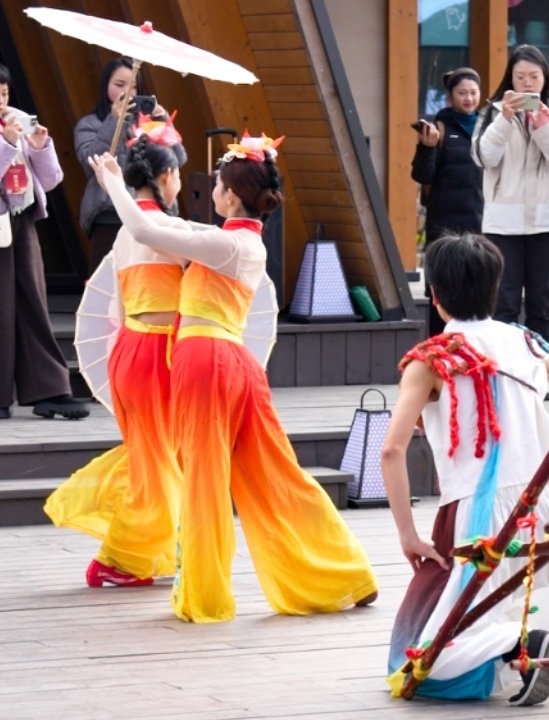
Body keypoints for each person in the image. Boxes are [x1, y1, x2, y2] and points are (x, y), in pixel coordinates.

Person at [89, 135, 377, 623]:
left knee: (203, 482)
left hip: (204, 364)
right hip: (238, 366)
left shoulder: (223, 243)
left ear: (232, 196)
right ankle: (345, 571)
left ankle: (203, 594)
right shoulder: (240, 242)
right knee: (279, 473)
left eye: (219, 185)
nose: (213, 190)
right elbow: (161, 230)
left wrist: (113, 182)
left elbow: (142, 226)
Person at [382, 233, 549, 706]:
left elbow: (392, 450)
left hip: (479, 523)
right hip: (545, 511)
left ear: (434, 295)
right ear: (496, 289)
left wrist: (408, 536)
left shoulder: (430, 360)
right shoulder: (525, 342)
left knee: (410, 663)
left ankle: (517, 644)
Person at [45, 119, 188, 586]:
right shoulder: (168, 229)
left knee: (151, 454)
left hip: (128, 349)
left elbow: (119, 307)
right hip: (158, 352)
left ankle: (146, 549)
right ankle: (121, 556)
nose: (180, 182)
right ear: (166, 176)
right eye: (178, 174)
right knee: (160, 456)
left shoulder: (127, 234)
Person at [473, 45, 549, 345]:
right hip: (502, 223)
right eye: (520, 77)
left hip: (546, 220)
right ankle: (505, 369)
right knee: (503, 304)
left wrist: (545, 130)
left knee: (541, 306)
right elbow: (484, 157)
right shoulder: (492, 112)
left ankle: (539, 368)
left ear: (545, 77)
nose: (527, 83)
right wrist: (504, 120)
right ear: (511, 78)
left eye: (534, 76)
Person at [0, 64, 89, 421]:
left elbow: (50, 181)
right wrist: (7, 145)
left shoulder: (18, 122)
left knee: (34, 303)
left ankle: (49, 389)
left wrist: (39, 148)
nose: (1, 100)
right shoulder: (10, 132)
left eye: (4, 93)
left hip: (21, 220)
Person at [75, 58, 186, 274]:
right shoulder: (89, 125)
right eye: (119, 85)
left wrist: (163, 122)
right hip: (109, 215)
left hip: (153, 213)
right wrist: (114, 121)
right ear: (106, 86)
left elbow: (178, 159)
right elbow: (92, 161)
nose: (127, 92)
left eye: (133, 86)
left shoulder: (150, 122)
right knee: (107, 279)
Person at [412, 67, 484, 337]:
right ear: (451, 96)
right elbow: (422, 175)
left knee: (475, 288)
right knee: (441, 289)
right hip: (443, 224)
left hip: (479, 222)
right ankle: (438, 347)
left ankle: (472, 346)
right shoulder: (439, 128)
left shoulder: (488, 128)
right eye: (462, 93)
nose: (469, 98)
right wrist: (427, 147)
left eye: (473, 92)